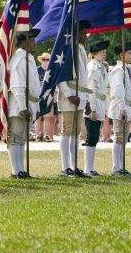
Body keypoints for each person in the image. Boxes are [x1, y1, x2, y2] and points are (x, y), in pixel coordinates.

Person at [57, 20, 90, 178]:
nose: (86, 35)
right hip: (69, 96)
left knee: (76, 133)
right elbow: (60, 74)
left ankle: (74, 164)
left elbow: (84, 78)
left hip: (81, 96)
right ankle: (65, 167)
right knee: (67, 131)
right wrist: (68, 94)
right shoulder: (68, 49)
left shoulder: (81, 48)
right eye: (83, 32)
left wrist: (87, 99)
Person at [6, 29, 40, 178]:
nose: (34, 43)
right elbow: (17, 84)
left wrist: (35, 107)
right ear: (23, 42)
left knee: (21, 138)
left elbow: (34, 86)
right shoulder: (19, 59)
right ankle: (16, 170)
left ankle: (20, 169)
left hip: (29, 102)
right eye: (32, 40)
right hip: (19, 103)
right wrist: (23, 107)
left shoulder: (28, 58)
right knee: (15, 136)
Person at [108, 41, 131, 175]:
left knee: (124, 137)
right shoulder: (118, 70)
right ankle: (117, 167)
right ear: (121, 55)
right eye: (129, 53)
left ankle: (121, 166)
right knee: (119, 137)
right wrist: (122, 108)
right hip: (120, 106)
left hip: (130, 106)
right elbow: (118, 90)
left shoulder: (130, 70)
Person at [84, 39, 110, 176]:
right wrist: (93, 109)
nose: (104, 54)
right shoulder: (93, 67)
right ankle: (88, 168)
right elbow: (91, 89)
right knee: (92, 136)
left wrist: (104, 108)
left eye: (105, 52)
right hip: (93, 104)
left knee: (95, 137)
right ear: (94, 54)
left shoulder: (101, 66)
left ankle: (91, 167)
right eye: (102, 52)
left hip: (100, 104)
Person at [36, 52, 56, 142]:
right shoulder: (37, 70)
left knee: (48, 117)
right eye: (44, 59)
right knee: (38, 117)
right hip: (38, 96)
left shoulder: (52, 71)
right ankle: (38, 135)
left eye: (47, 59)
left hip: (49, 96)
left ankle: (47, 135)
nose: (45, 61)